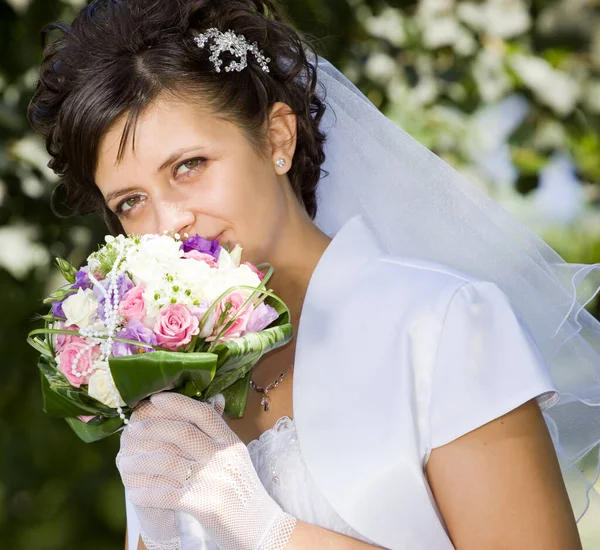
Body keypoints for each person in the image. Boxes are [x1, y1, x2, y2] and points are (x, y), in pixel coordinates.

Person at [27, 1, 600, 549]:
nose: (168, 222)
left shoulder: (441, 324)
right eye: (130, 201)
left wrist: (271, 535)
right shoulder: (171, 386)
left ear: (277, 138)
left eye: (189, 166)